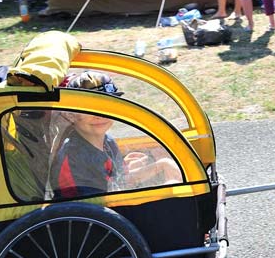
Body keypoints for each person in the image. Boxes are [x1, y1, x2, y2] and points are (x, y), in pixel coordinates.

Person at [51, 72, 179, 198]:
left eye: (106, 106)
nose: (99, 115)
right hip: (96, 216)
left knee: (166, 164)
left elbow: (117, 183)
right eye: (88, 108)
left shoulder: (108, 141)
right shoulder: (74, 159)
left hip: (111, 211)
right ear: (70, 115)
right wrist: (165, 192)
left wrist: (159, 165)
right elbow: (99, 208)